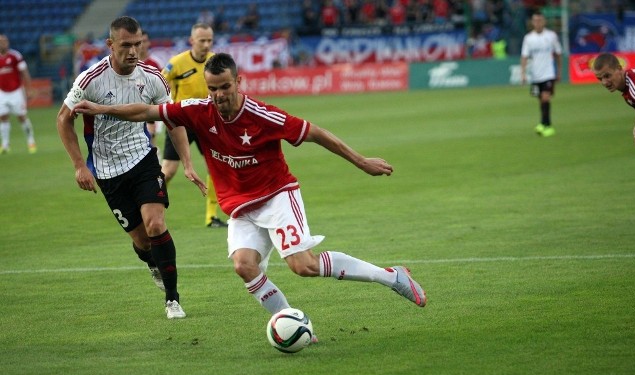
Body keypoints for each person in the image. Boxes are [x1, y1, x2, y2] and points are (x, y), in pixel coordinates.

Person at [72, 53, 428, 334]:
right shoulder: (198, 112)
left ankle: (392, 276)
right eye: (212, 88)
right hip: (241, 207)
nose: (218, 95)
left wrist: (360, 160)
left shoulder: (262, 115)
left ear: (238, 81)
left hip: (277, 195)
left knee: (303, 266)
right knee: (244, 266)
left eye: (225, 86)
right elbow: (147, 110)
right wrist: (102, 109)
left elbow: (315, 132)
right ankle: (293, 324)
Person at [56, 16, 207, 319]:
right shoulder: (90, 80)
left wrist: (187, 164)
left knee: (155, 225)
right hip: (108, 171)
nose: (134, 51)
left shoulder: (152, 77)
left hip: (142, 159)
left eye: (137, 44)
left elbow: (173, 120)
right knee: (141, 240)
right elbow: (63, 119)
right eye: (126, 45)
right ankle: (152, 262)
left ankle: (172, 299)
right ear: (111, 45)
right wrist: (78, 166)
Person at [161, 23, 227, 228]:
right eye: (202, 40)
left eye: (209, 40)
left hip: (206, 122)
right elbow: (160, 82)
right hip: (180, 122)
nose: (206, 44)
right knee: (169, 170)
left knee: (216, 166)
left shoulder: (215, 62)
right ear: (192, 41)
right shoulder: (177, 63)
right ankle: (150, 205)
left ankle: (211, 216)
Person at [520, 11, 563, 137]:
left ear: (544, 21)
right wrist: (523, 73)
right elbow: (524, 57)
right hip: (535, 75)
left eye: (540, 20)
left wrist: (559, 71)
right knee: (541, 100)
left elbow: (558, 54)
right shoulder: (528, 38)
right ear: (532, 22)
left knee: (545, 97)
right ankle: (544, 124)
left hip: (548, 73)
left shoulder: (551, 36)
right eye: (535, 20)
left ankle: (546, 125)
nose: (537, 23)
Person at [593, 52, 635, 147]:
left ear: (619, 68)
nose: (604, 82)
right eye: (600, 79)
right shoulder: (630, 78)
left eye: (607, 76)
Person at [0, 34, 37, 154]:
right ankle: (5, 144)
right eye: (1, 41)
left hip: (16, 91)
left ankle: (31, 141)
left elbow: (24, 72)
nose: (3, 43)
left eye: (5, 41)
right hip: (2, 92)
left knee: (21, 117)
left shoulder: (15, 56)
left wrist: (29, 89)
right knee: (3, 117)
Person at [139, 30, 162, 149]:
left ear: (149, 43)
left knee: (151, 139)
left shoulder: (155, 63)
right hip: (132, 107)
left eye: (145, 41)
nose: (142, 44)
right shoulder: (130, 64)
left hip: (151, 108)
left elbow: (161, 88)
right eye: (140, 41)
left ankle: (154, 164)